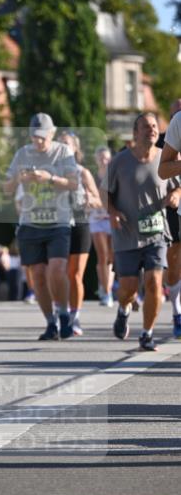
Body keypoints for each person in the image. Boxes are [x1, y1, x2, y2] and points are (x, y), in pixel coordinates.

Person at [107, 112, 181, 350]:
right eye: (146, 127)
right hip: (127, 233)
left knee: (154, 283)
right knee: (128, 288)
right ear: (135, 133)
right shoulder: (119, 162)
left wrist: (175, 195)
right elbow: (105, 193)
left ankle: (147, 334)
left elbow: (178, 186)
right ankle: (123, 308)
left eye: (154, 126)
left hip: (157, 232)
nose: (152, 130)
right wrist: (112, 212)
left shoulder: (165, 158)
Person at [3, 113, 79, 340]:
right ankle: (50, 322)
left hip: (58, 221)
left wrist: (49, 178)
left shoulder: (63, 152)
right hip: (30, 222)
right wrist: (18, 179)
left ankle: (64, 313)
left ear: (52, 134)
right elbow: (6, 188)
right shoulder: (22, 154)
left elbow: (74, 183)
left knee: (56, 269)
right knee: (37, 275)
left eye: (43, 137)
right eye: (34, 136)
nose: (38, 141)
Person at [57, 130, 103, 335]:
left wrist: (89, 200)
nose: (64, 148)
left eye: (67, 144)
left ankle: (75, 317)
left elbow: (99, 200)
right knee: (58, 272)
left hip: (80, 224)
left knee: (75, 274)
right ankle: (60, 313)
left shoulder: (83, 172)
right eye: (60, 144)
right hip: (57, 225)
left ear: (75, 149)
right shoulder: (51, 172)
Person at [157, 99, 181, 338]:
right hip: (167, 208)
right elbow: (163, 170)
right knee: (174, 261)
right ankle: (177, 311)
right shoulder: (176, 126)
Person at [89, 145, 115, 307]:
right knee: (103, 256)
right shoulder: (91, 177)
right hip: (97, 219)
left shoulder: (115, 176)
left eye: (106, 158)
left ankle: (106, 286)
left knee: (111, 257)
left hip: (111, 219)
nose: (103, 161)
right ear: (96, 160)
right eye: (101, 158)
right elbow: (88, 197)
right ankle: (106, 292)